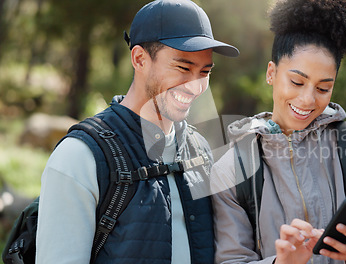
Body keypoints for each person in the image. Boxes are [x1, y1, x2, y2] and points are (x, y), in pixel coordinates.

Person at [35, 0, 238, 263]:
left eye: (204, 72)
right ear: (140, 59)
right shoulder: (80, 156)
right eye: (183, 68)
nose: (196, 86)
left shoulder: (200, 151)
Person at [211, 0, 346, 263]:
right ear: (271, 73)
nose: (307, 100)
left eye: (323, 88)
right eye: (297, 81)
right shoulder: (231, 170)